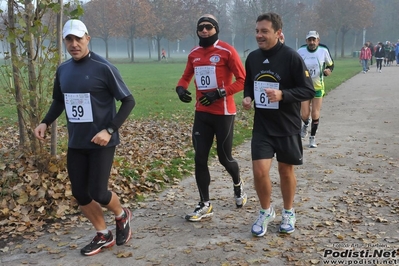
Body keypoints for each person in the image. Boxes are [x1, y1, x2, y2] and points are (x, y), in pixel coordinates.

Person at [34, 19, 135, 256]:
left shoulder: (104, 67)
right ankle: (103, 234)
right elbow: (59, 100)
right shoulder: (63, 70)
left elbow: (128, 101)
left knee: (99, 193)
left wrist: (109, 130)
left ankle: (122, 215)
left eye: (78, 38)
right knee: (80, 193)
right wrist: (45, 122)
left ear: (88, 38)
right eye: (68, 39)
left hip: (102, 141)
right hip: (76, 142)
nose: (73, 44)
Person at [242, 13, 314, 236]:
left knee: (285, 171)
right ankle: (265, 212)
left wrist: (283, 94)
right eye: (257, 31)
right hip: (263, 126)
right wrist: (248, 98)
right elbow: (249, 82)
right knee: (259, 171)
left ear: (278, 33)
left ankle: (289, 211)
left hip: (286, 125)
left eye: (264, 31)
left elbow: (308, 90)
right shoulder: (252, 57)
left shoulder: (291, 57)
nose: (259, 36)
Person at [175, 14, 246, 222]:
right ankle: (205, 204)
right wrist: (180, 89)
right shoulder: (194, 53)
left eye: (209, 27)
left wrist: (220, 93)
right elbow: (186, 76)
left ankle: (238, 183)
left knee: (225, 158)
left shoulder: (227, 51)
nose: (204, 31)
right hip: (202, 113)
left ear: (216, 29)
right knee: (199, 158)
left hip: (223, 113)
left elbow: (243, 80)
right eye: (201, 28)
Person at [297, 31, 334, 148]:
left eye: (314, 40)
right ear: (306, 41)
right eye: (310, 40)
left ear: (318, 40)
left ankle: (312, 138)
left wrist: (329, 71)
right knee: (304, 114)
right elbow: (294, 65)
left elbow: (331, 64)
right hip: (304, 87)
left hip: (318, 86)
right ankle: (306, 124)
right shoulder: (301, 51)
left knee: (315, 113)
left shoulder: (323, 51)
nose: (312, 42)